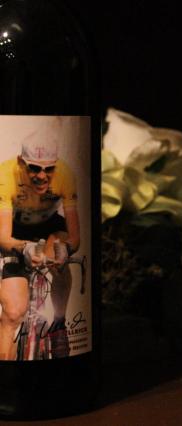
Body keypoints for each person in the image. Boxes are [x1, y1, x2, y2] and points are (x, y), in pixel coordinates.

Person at [0, 118, 80, 360]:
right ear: (21, 163)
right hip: (15, 231)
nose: (42, 176)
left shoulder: (65, 175)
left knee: (58, 253)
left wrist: (65, 250)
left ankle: (59, 323)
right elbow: (3, 236)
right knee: (13, 314)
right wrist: (24, 249)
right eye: (34, 168)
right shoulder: (5, 175)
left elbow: (75, 237)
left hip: (49, 227)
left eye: (49, 169)